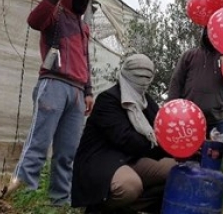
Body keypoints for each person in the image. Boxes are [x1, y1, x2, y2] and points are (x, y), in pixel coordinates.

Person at [6, 0, 95, 207]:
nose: (82, 1)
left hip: (77, 93)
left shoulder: (84, 27)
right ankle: (16, 195)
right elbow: (34, 21)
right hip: (53, 84)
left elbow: (85, 59)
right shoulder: (56, 14)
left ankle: (60, 202)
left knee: (67, 152)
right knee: (39, 143)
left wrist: (88, 90)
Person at [71, 54, 176, 214]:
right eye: (139, 74)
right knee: (129, 185)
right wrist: (157, 144)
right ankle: (98, 207)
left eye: (148, 75)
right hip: (102, 160)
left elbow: (160, 128)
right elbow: (125, 139)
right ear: (126, 72)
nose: (144, 79)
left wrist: (179, 147)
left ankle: (127, 207)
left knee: (176, 170)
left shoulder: (146, 102)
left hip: (132, 159)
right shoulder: (108, 99)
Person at [167, 28, 223, 139]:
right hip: (188, 120)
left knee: (213, 156)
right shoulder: (190, 55)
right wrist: (171, 111)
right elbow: (176, 82)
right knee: (189, 155)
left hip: (218, 120)